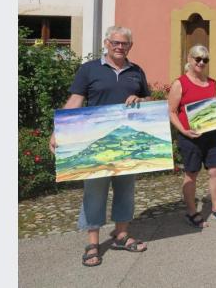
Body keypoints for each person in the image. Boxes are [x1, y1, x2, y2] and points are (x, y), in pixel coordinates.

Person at [48, 26, 150, 267]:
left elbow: (147, 99)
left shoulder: (136, 72)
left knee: (126, 190)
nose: (119, 46)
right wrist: (57, 130)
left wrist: (141, 99)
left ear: (130, 46)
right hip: (96, 142)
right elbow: (76, 100)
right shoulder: (89, 69)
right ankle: (93, 242)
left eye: (124, 43)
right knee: (94, 192)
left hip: (127, 143)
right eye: (115, 42)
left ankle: (121, 234)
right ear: (106, 43)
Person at [167, 44, 216, 228]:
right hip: (190, 136)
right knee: (191, 174)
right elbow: (172, 112)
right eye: (197, 58)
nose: (201, 62)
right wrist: (183, 131)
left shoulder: (211, 83)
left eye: (205, 59)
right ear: (189, 60)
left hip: (212, 135)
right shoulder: (180, 83)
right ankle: (191, 212)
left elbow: (209, 107)